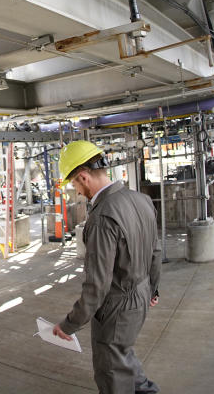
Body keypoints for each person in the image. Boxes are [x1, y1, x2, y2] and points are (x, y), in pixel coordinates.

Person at [51, 141, 161, 394]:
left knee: (111, 371)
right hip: (142, 294)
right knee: (123, 352)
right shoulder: (141, 199)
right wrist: (152, 290)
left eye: (75, 185)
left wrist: (69, 324)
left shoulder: (102, 218)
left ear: (84, 176)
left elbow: (97, 286)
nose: (77, 192)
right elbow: (155, 251)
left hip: (118, 307)